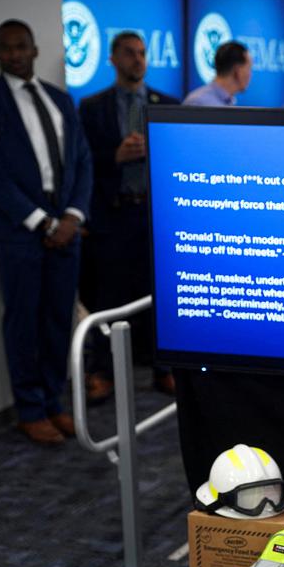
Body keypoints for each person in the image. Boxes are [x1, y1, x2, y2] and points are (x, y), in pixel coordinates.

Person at [0, 19, 92, 444]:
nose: (14, 54)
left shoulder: (60, 99)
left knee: (58, 319)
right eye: (6, 48)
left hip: (67, 228)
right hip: (17, 232)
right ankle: (30, 410)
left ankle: (54, 402)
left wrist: (72, 216)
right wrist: (43, 222)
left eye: (21, 46)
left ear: (35, 49)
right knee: (23, 322)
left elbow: (82, 161)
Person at [78, 31, 179, 401]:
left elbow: (178, 159)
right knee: (109, 297)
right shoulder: (92, 107)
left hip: (155, 215)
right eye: (129, 53)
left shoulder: (166, 104)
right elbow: (81, 160)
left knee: (161, 296)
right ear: (113, 59)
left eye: (141, 53)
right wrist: (115, 157)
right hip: (114, 213)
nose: (137, 59)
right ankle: (102, 372)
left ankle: (165, 369)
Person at [184, 41, 253, 106]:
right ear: (238, 71)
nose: (250, 75)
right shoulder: (197, 102)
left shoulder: (229, 102)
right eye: (249, 68)